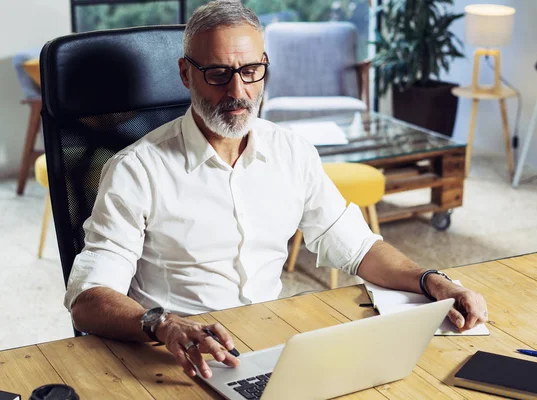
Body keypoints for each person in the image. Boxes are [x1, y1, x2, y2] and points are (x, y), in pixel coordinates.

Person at [64, 0, 488, 381]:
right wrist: (165, 324)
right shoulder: (136, 170)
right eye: (218, 74)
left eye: (250, 71)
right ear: (185, 74)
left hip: (271, 348)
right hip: (175, 357)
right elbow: (87, 298)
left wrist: (433, 281)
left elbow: (358, 248)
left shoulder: (293, 152)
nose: (238, 92)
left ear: (264, 64)